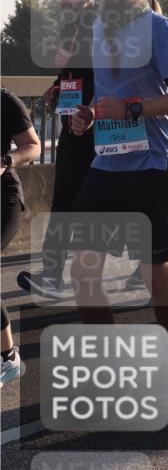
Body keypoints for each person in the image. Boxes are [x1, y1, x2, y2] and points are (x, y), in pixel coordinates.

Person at [67, 0, 168, 407]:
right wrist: (88, 115)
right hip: (106, 162)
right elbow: (107, 96)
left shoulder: (156, 28)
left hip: (150, 164)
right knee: (83, 270)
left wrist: (134, 109)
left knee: (154, 276)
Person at [17, 0, 96, 300]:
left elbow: (107, 72)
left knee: (102, 200)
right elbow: (74, 72)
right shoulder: (71, 26)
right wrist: (56, 87)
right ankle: (52, 276)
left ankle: (150, 263)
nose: (63, 0)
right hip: (74, 127)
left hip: (100, 126)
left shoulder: (98, 25)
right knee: (64, 200)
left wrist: (92, 108)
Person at [2, 89, 42, 383]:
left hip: (4, 199)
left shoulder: (5, 101)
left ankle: (8, 358)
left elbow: (33, 146)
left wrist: (5, 161)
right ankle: (8, 358)